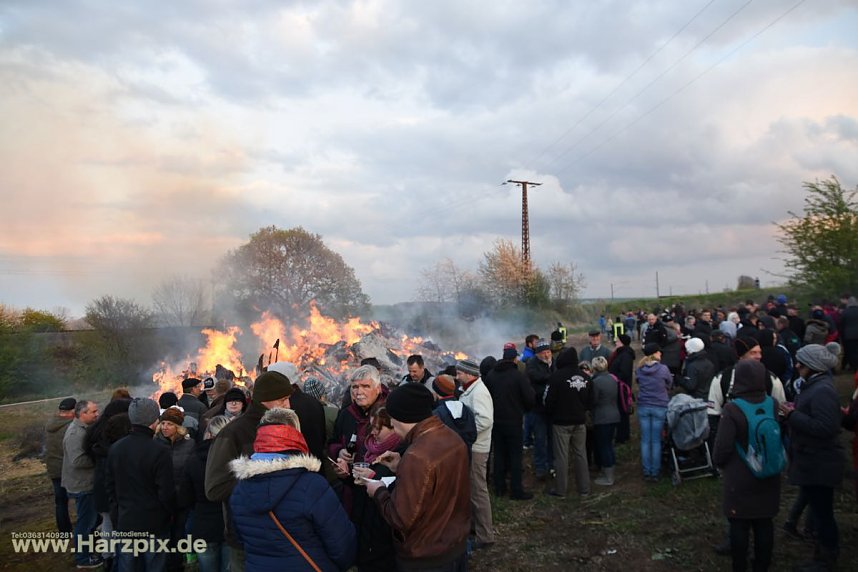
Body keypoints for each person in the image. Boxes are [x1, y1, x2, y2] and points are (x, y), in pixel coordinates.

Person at [229, 408, 356, 571]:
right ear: (296, 435)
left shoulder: (240, 489)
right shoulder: (312, 485)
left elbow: (240, 538)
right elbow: (341, 544)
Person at [366, 384, 471, 571]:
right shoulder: (453, 437)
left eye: (393, 419)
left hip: (426, 557)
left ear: (402, 417)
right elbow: (438, 485)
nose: (393, 427)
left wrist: (378, 491)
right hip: (455, 546)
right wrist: (400, 467)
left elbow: (400, 519)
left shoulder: (416, 456)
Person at [205, 369, 296, 571]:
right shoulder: (233, 433)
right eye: (283, 400)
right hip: (246, 538)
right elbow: (214, 489)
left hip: (286, 533)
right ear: (265, 400)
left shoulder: (287, 428)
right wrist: (260, 475)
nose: (288, 405)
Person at [712, 360, 781, 572]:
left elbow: (722, 447)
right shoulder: (772, 404)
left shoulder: (733, 409)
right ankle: (762, 565)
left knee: (739, 524)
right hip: (769, 472)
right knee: (764, 523)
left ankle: (739, 565)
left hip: (740, 474)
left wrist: (719, 463)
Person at [781, 343, 844, 570]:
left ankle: (826, 558)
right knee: (819, 509)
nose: (797, 365)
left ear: (813, 366)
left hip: (820, 461)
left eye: (801, 363)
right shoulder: (814, 386)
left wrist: (793, 415)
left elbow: (826, 427)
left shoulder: (822, 390)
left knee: (823, 512)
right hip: (812, 459)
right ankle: (822, 552)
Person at [106, 398, 175, 572]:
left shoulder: (116, 448)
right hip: (154, 522)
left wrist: (116, 514)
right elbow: (166, 491)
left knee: (128, 566)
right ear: (154, 421)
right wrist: (170, 513)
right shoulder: (160, 451)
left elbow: (110, 487)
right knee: (155, 566)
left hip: (126, 520)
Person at [180, 415, 232, 572]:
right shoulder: (235, 459)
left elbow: (185, 498)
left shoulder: (193, 460)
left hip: (203, 523)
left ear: (208, 434)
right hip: (229, 524)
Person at [485, 343, 534, 499]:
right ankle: (516, 491)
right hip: (514, 422)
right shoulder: (518, 376)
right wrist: (523, 409)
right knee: (515, 456)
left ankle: (499, 489)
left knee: (498, 455)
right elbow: (529, 398)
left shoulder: (491, 375)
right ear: (514, 359)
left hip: (496, 422)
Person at [456, 359, 495, 549]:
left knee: (478, 491)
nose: (457, 376)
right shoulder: (470, 389)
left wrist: (467, 434)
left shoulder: (479, 392)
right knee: (472, 489)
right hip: (471, 445)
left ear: (469, 374)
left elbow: (485, 420)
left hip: (477, 447)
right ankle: (474, 527)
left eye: (459, 373)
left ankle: (485, 536)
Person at [543, 347, 591, 497]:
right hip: (580, 421)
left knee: (561, 457)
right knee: (581, 454)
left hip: (561, 423)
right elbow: (592, 400)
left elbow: (547, 400)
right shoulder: (586, 377)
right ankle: (584, 489)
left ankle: (561, 490)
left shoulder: (556, 377)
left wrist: (552, 413)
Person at [62, 399, 102, 569]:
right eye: (93, 412)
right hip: (82, 485)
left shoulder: (84, 429)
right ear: (82, 414)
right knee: (85, 523)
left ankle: (90, 551)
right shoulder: (75, 434)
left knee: (91, 521)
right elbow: (77, 461)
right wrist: (99, 458)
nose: (97, 414)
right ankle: (83, 559)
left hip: (86, 483)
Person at [636, 343, 673, 482]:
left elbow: (638, 382)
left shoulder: (639, 369)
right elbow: (669, 383)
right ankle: (655, 472)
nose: (661, 353)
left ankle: (647, 471)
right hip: (659, 406)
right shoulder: (663, 369)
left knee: (645, 440)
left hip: (644, 405)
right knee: (656, 440)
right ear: (654, 354)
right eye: (659, 351)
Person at [44, 397, 75, 534]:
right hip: (67, 468)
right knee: (81, 499)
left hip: (53, 468)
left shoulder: (50, 423)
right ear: (72, 411)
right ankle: (88, 529)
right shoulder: (70, 426)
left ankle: (64, 532)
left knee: (60, 502)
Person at [525, 338, 555, 480]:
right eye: (543, 352)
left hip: (552, 409)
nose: (546, 355)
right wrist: (551, 377)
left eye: (548, 352)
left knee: (553, 438)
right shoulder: (532, 364)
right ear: (537, 354)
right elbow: (536, 377)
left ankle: (552, 465)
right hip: (538, 409)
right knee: (540, 439)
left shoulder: (554, 363)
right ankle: (540, 467)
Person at [590, 356, 619, 486]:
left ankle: (608, 476)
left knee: (604, 446)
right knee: (609, 445)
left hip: (602, 417)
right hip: (614, 415)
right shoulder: (613, 379)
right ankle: (610, 470)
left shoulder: (596, 382)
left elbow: (593, 401)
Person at [608, 334, 635, 444]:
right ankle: (621, 434)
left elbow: (624, 373)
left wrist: (614, 378)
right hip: (618, 386)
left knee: (623, 412)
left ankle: (622, 436)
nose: (616, 342)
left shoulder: (625, 355)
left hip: (621, 388)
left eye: (618, 341)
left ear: (623, 343)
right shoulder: (621, 354)